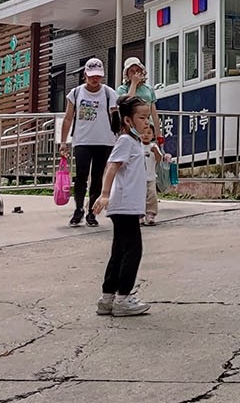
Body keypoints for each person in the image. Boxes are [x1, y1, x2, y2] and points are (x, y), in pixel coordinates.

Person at [96, 93, 157, 316]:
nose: (146, 122)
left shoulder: (133, 142)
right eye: (141, 118)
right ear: (128, 120)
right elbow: (111, 167)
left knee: (120, 250)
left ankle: (108, 298)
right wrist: (104, 194)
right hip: (124, 205)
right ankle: (123, 298)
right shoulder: (126, 141)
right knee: (133, 250)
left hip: (126, 205)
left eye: (147, 117)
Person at [59, 58, 115, 228]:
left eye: (98, 76)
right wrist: (63, 141)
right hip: (82, 140)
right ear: (85, 75)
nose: (94, 79)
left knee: (98, 178)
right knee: (81, 176)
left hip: (104, 140)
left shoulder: (109, 93)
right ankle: (78, 210)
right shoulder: (76, 93)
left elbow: (115, 115)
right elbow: (68, 118)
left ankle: (92, 211)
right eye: (91, 75)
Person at [117, 57, 164, 226]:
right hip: (130, 130)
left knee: (148, 168)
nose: (135, 73)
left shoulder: (149, 90)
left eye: (138, 70)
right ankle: (134, 208)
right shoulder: (122, 89)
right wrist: (134, 85)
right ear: (126, 73)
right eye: (131, 71)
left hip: (146, 129)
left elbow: (154, 113)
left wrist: (158, 134)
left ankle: (149, 210)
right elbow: (125, 104)